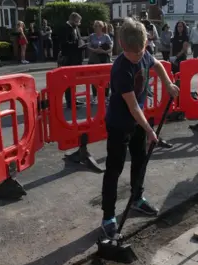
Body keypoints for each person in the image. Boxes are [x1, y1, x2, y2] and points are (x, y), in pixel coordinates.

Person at [100, 18, 179, 239]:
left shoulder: (143, 52)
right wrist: (149, 130)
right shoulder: (121, 69)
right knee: (114, 169)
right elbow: (133, 106)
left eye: (142, 51)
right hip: (119, 123)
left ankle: (136, 198)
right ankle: (108, 216)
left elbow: (157, 64)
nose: (139, 56)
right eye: (134, 54)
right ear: (123, 47)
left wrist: (168, 83)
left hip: (138, 121)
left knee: (140, 160)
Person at [59, 12, 85, 109]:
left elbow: (78, 39)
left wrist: (81, 44)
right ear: (72, 20)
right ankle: (70, 102)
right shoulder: (65, 28)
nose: (79, 24)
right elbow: (64, 44)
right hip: (69, 59)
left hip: (76, 58)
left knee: (74, 81)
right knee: (69, 81)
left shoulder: (76, 28)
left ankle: (74, 99)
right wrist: (76, 45)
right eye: (77, 21)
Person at [88, 20, 112, 105]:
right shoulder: (91, 36)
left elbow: (110, 48)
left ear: (102, 27)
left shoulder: (106, 36)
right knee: (94, 78)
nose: (97, 28)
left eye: (99, 26)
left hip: (104, 58)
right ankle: (94, 96)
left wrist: (103, 51)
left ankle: (106, 96)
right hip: (94, 59)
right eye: (96, 26)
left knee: (106, 79)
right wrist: (95, 50)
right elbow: (88, 46)